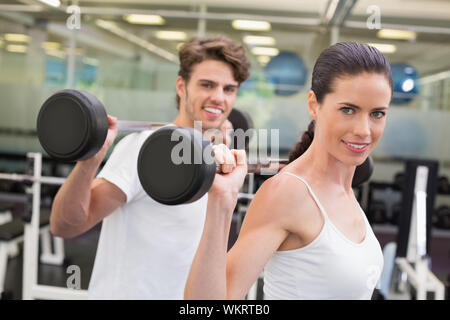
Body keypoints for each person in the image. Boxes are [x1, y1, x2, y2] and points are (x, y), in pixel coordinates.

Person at [184, 42, 393, 300]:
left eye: (377, 114)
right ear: (314, 105)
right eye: (348, 110)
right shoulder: (286, 193)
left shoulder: (345, 191)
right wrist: (222, 202)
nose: (364, 130)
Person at [49, 36, 250, 299]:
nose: (218, 98)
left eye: (229, 89)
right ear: (182, 86)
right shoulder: (143, 147)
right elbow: (65, 226)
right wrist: (89, 163)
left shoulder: (219, 161)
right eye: (207, 85)